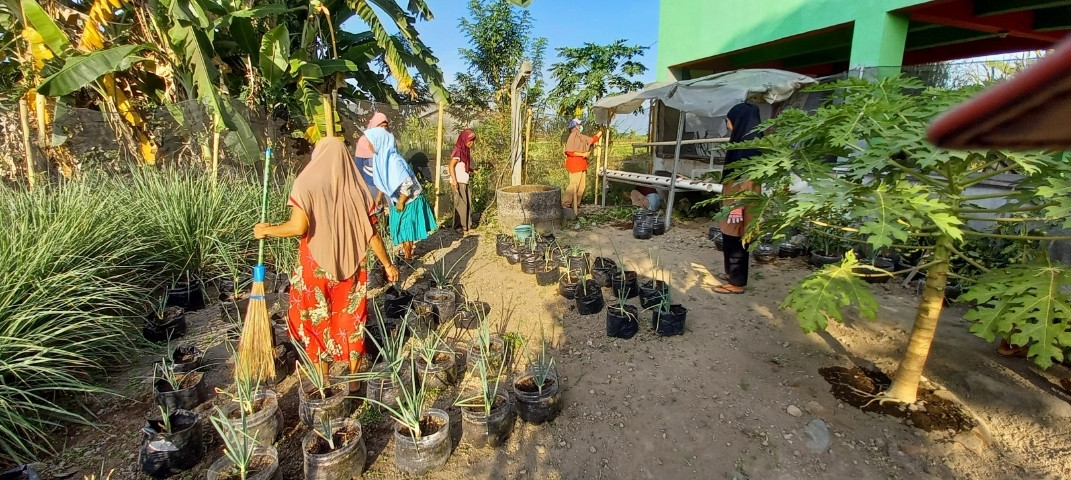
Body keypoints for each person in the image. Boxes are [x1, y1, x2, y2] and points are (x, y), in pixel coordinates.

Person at [253, 137, 398, 390]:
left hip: (315, 266)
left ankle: (324, 382)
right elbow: (372, 235)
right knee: (351, 321)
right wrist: (387, 264)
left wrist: (267, 231)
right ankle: (354, 384)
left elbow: (298, 227)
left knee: (318, 322)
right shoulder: (360, 188)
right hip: (352, 266)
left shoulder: (306, 182)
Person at [367, 125, 438, 261]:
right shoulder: (381, 159)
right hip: (398, 199)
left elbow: (407, 183)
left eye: (371, 143)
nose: (369, 146)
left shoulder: (394, 160)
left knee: (406, 228)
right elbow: (385, 181)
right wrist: (379, 198)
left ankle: (408, 256)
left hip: (409, 198)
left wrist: (401, 201)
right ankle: (407, 252)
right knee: (399, 227)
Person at [714, 102, 763, 295]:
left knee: (737, 242)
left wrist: (737, 206)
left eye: (729, 121)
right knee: (729, 239)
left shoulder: (750, 149)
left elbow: (749, 181)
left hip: (739, 205)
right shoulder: (742, 144)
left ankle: (737, 283)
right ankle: (730, 274)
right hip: (733, 202)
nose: (728, 125)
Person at [562, 119, 602, 216]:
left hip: (582, 165)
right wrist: (583, 154)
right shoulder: (573, 136)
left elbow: (592, 140)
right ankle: (565, 204)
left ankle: (575, 204)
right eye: (580, 124)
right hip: (575, 165)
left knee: (581, 186)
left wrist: (601, 132)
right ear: (576, 126)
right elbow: (570, 152)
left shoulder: (580, 136)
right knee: (573, 185)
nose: (581, 126)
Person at [354, 112, 388, 209]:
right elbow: (359, 167)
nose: (383, 130)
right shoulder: (364, 141)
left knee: (389, 211)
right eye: (380, 126)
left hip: (387, 183)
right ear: (374, 126)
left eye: (385, 127)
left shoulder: (389, 140)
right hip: (371, 183)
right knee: (374, 210)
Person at [449, 129, 477, 235]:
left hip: (464, 180)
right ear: (464, 139)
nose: (471, 143)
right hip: (458, 180)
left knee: (467, 203)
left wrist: (472, 170)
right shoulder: (458, 149)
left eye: (473, 140)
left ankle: (466, 226)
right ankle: (460, 227)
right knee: (461, 204)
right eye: (469, 140)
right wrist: (454, 180)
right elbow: (451, 165)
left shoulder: (465, 150)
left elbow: (463, 166)